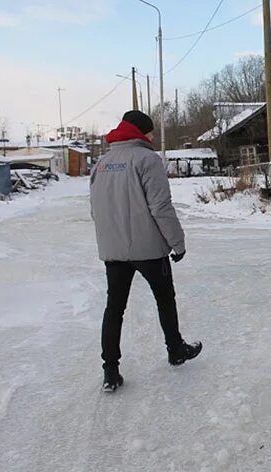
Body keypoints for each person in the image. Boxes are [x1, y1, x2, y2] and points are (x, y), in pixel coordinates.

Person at [90, 110, 202, 393]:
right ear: (140, 131)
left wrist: (109, 242)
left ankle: (110, 371)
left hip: (114, 251)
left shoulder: (101, 164)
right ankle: (176, 350)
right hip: (149, 249)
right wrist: (177, 242)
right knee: (165, 299)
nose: (152, 137)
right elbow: (160, 206)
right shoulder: (147, 159)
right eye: (150, 132)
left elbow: (96, 211)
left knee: (114, 308)